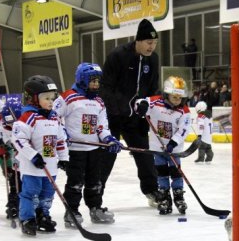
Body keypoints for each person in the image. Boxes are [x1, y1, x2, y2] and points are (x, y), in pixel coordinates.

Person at [100, 18, 160, 207]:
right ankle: (96, 193)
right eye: (149, 42)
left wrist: (146, 103)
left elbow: (152, 89)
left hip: (136, 118)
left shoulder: (153, 58)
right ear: (139, 41)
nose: (152, 46)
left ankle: (151, 190)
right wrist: (119, 108)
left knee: (145, 155)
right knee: (107, 156)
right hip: (114, 116)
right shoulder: (118, 55)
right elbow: (105, 88)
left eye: (155, 43)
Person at [54, 63, 122, 228]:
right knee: (75, 183)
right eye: (92, 80)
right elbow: (54, 118)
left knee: (95, 182)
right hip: (75, 151)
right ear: (82, 80)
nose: (96, 84)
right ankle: (72, 211)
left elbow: (101, 127)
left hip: (94, 150)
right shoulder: (68, 97)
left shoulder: (99, 102)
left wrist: (109, 140)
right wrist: (63, 135)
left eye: (98, 81)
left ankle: (95, 208)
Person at [11, 75, 69, 236]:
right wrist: (33, 155)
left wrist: (64, 158)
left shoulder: (54, 118)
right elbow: (18, 139)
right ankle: (28, 219)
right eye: (46, 98)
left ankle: (43, 215)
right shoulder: (28, 117)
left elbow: (60, 141)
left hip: (50, 166)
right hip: (32, 166)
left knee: (47, 194)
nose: (51, 102)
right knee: (31, 193)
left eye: (53, 98)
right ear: (34, 99)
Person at [134, 76, 191, 215]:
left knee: (176, 173)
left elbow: (184, 130)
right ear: (166, 94)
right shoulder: (155, 102)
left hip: (174, 150)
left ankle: (178, 195)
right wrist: (141, 107)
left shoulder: (184, 111)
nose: (178, 100)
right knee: (161, 173)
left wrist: (173, 143)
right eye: (174, 97)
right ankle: (164, 196)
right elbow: (140, 102)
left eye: (180, 97)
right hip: (157, 149)